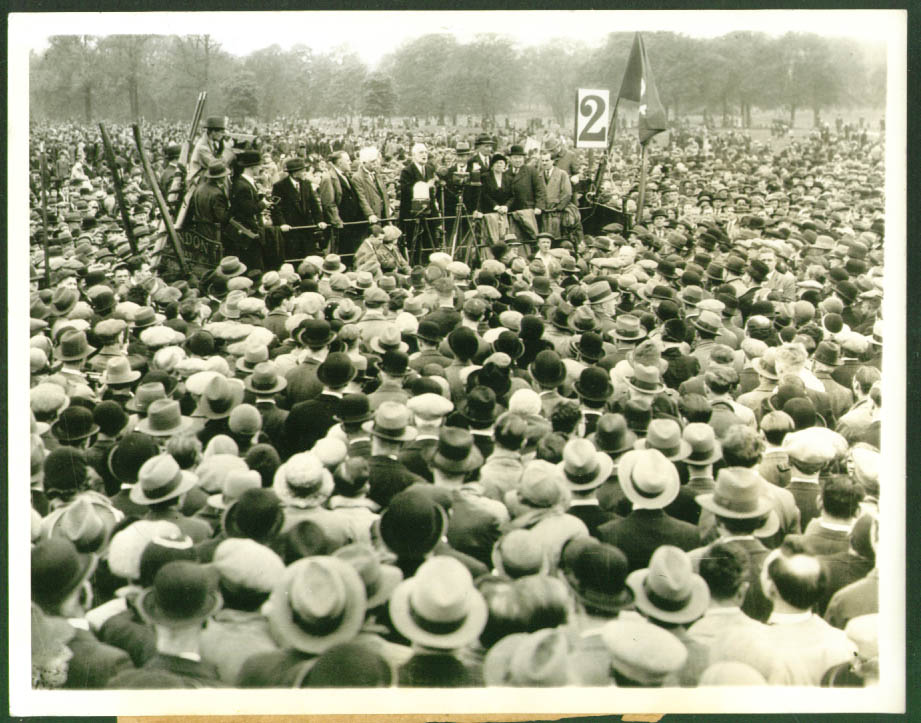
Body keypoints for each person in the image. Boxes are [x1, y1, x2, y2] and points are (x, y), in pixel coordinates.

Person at [271, 157, 327, 261]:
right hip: (291, 230)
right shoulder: (280, 186)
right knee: (294, 257)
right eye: (303, 171)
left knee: (310, 257)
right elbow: (276, 208)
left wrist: (320, 220)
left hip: (307, 229)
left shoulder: (306, 184)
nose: (305, 173)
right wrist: (282, 223)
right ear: (294, 173)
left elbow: (314, 204)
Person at [318, 151, 365, 260]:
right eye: (348, 160)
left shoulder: (345, 175)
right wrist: (337, 221)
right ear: (340, 163)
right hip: (341, 223)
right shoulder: (328, 178)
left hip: (351, 222)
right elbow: (328, 203)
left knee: (351, 251)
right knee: (342, 252)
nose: (350, 162)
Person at [226, 150, 267, 272]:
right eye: (259, 165)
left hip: (250, 228)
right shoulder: (243, 185)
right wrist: (263, 204)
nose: (260, 168)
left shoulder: (244, 182)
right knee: (254, 263)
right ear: (253, 167)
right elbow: (248, 209)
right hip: (249, 230)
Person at [187, 162, 231, 242]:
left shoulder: (199, 188)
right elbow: (222, 217)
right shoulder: (217, 193)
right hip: (213, 232)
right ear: (221, 177)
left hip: (199, 230)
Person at [187, 115, 236, 184]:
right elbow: (216, 165)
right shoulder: (202, 146)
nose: (223, 135)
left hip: (205, 171)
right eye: (221, 132)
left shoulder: (210, 140)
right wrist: (228, 148)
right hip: (198, 176)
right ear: (213, 132)